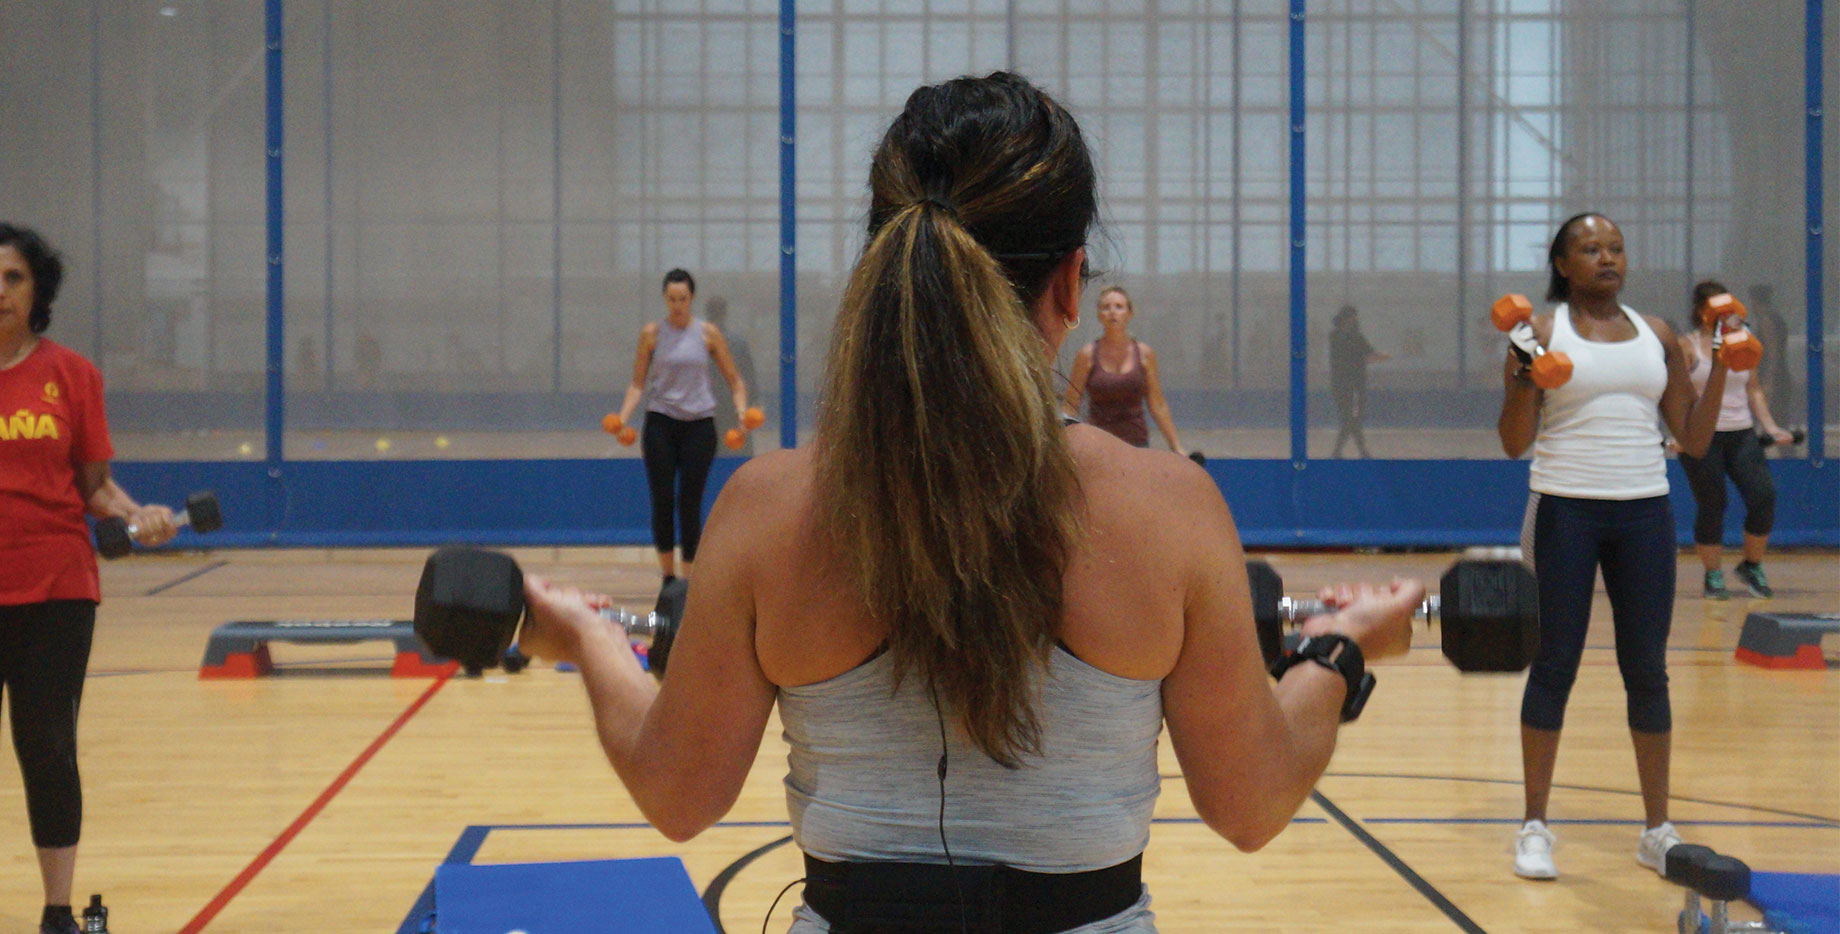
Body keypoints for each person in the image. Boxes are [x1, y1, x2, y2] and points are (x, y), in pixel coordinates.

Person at [517, 73, 1421, 932]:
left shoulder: (767, 508)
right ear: (1070, 285)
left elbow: (678, 795)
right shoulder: (1170, 510)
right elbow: (1252, 802)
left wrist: (589, 640)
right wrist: (1342, 652)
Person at [1497, 213, 1722, 884]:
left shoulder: (1657, 334)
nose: (1607, 258)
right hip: (1565, 508)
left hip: (1645, 513)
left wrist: (1724, 373)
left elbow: (1695, 439)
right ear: (1564, 264)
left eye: (1616, 247)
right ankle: (1534, 826)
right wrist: (1522, 378)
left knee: (1647, 671)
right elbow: (1513, 442)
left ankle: (1657, 830)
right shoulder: (1537, 331)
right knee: (1555, 665)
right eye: (1590, 249)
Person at [0, 223, 177, 934]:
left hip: (55, 588)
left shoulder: (71, 376)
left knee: (46, 745)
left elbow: (95, 488)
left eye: (12, 277)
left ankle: (57, 911)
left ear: (37, 289)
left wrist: (143, 518)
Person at [609, 269, 750, 582]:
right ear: (664, 298)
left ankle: (688, 582)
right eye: (672, 299)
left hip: (699, 426)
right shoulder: (652, 334)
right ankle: (668, 578)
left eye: (682, 299)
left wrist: (741, 413)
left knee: (690, 502)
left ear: (692, 298)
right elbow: (637, 384)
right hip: (661, 423)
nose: (677, 304)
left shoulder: (708, 333)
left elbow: (735, 380)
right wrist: (622, 417)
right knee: (662, 501)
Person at [1676, 280, 1796, 599]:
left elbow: (1752, 387)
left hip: (1741, 433)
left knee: (1763, 497)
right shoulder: (1687, 346)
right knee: (1713, 504)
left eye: (1728, 306)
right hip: (1702, 437)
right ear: (1702, 312)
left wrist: (1770, 427)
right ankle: (1713, 575)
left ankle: (1751, 565)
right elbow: (1675, 395)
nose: (1725, 313)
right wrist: (1678, 433)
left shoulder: (1744, 342)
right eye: (1716, 307)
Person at [1062, 286, 1187, 455]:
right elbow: (1071, 402)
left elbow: (1157, 404)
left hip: (1137, 445)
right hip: (1098, 445)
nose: (1112, 312)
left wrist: (1176, 447)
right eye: (1106, 307)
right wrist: (1061, 442)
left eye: (1119, 306)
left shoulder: (1145, 354)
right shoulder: (1087, 355)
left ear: (1130, 313)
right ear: (1099, 315)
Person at [1328, 305, 1389, 458]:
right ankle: (1355, 451)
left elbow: (1361, 356)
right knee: (1351, 419)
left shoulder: (1336, 336)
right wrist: (1383, 357)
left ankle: (1352, 451)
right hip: (1351, 384)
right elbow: (1368, 354)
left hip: (1342, 383)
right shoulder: (1352, 337)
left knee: (1350, 419)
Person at [704, 297, 759, 457]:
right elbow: (749, 375)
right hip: (733, 404)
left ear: (707, 314)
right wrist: (752, 402)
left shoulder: (699, 342)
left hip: (708, 405)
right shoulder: (738, 343)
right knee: (737, 449)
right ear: (725, 314)